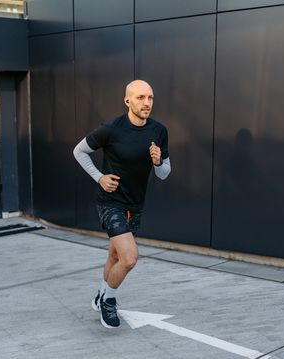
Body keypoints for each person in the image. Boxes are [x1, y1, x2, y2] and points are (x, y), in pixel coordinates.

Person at [73, 80, 171, 328]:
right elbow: (79, 151)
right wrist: (99, 177)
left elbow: (164, 173)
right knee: (129, 258)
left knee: (115, 256)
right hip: (110, 202)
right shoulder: (111, 129)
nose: (146, 103)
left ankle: (100, 295)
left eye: (150, 97)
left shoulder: (159, 131)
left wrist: (159, 162)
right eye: (140, 98)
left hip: (135, 204)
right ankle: (108, 300)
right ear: (127, 101)